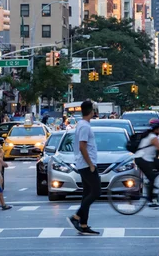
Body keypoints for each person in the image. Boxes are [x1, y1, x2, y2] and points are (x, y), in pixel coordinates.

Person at [67, 100, 100, 235]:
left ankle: (83, 224)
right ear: (91, 111)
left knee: (87, 193)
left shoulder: (82, 124)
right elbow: (82, 146)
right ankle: (76, 217)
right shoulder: (84, 127)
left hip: (85, 164)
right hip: (87, 165)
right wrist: (91, 164)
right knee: (96, 192)